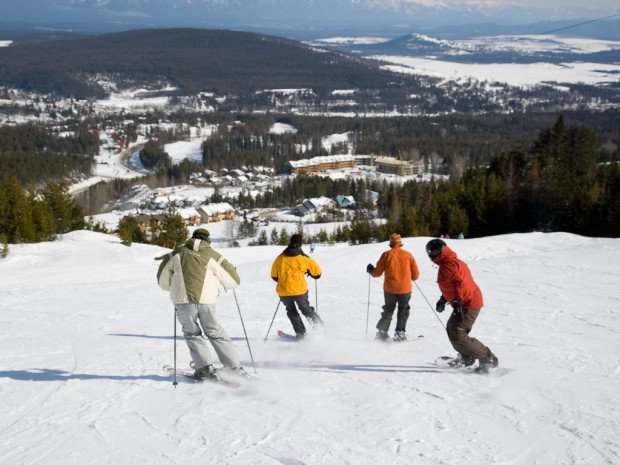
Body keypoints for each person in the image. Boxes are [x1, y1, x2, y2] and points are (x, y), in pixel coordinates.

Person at [156, 228, 246, 380]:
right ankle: (233, 368)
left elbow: (162, 277)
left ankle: (205, 369)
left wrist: (170, 287)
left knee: (192, 334)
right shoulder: (212, 255)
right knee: (215, 332)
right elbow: (234, 280)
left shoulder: (177, 253)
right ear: (207, 240)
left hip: (183, 301)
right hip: (207, 301)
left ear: (192, 238)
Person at [425, 238, 498, 373]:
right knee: (452, 329)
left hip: (469, 302)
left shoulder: (448, 264)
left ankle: (488, 357)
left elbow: (460, 284)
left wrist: (458, 304)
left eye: (431, 251)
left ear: (437, 251)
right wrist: (443, 299)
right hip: (466, 301)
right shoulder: (448, 262)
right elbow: (452, 285)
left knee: (458, 333)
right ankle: (467, 357)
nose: (430, 254)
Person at [366, 233, 420, 341]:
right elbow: (415, 276)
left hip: (390, 289)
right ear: (400, 244)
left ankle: (381, 333)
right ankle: (399, 333)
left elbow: (377, 273)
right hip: (405, 289)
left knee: (389, 309)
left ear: (390, 244)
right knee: (403, 309)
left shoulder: (386, 255)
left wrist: (370, 270)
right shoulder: (408, 255)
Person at [271, 234, 323, 339]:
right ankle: (321, 329)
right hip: (300, 290)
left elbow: (274, 276)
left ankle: (301, 333)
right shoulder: (303, 258)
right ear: (300, 244)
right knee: (306, 310)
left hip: (284, 291)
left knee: (291, 311)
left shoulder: (280, 257)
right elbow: (317, 274)